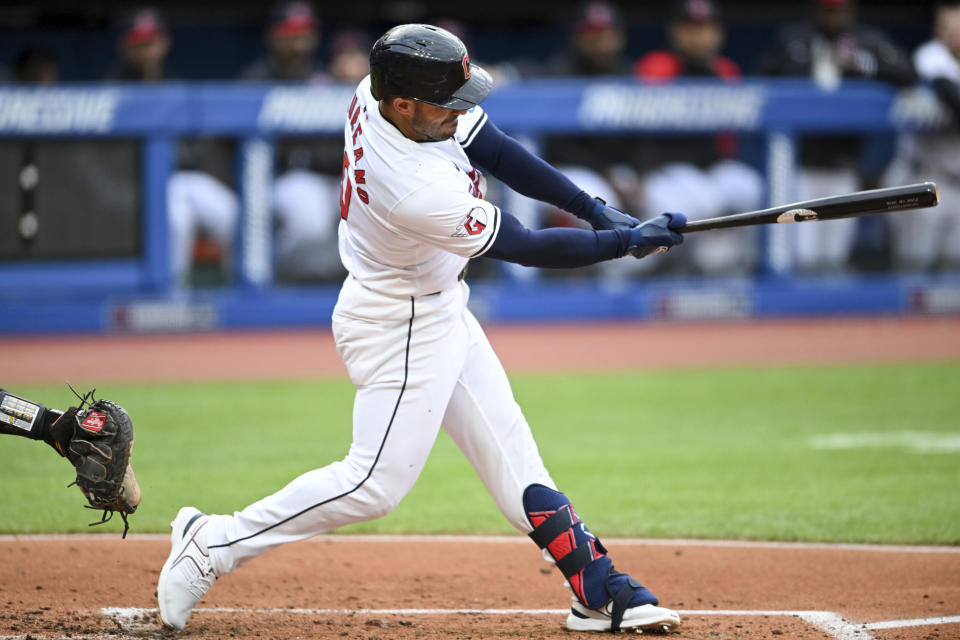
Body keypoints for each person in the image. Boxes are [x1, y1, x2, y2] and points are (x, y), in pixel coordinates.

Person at [158, 24, 685, 635]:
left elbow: (498, 150)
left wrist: (596, 209)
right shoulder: (410, 186)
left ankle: (596, 588)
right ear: (404, 103)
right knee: (373, 485)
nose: (463, 110)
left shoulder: (381, 92)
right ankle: (213, 542)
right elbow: (527, 245)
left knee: (513, 458)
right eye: (449, 101)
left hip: (436, 304)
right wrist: (621, 243)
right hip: (398, 322)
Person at [759, 0, 916, 274]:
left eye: (839, 10)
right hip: (800, 169)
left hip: (844, 166)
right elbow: (765, 82)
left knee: (833, 259)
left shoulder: (866, 41)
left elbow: (907, 74)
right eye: (828, 10)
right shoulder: (794, 40)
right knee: (803, 258)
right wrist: (816, 67)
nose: (834, 16)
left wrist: (861, 64)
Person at [109, 6, 239, 287]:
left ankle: (237, 294)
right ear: (125, 45)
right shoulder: (111, 91)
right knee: (177, 216)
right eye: (139, 42)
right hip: (133, 185)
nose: (147, 49)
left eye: (152, 41)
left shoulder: (175, 88)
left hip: (184, 181)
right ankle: (172, 296)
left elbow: (201, 152)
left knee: (233, 213)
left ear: (164, 43)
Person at [632, 0, 764, 275]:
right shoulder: (657, 66)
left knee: (750, 186)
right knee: (701, 201)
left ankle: (727, 265)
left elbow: (728, 141)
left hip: (709, 167)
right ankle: (675, 267)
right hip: (664, 169)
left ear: (719, 33)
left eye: (704, 28)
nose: (698, 36)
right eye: (690, 28)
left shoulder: (726, 71)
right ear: (675, 32)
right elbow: (640, 131)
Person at [885, 0, 960, 271]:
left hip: (957, 184)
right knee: (913, 269)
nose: (955, 34)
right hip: (926, 180)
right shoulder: (930, 56)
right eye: (949, 28)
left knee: (953, 276)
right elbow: (951, 96)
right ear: (938, 31)